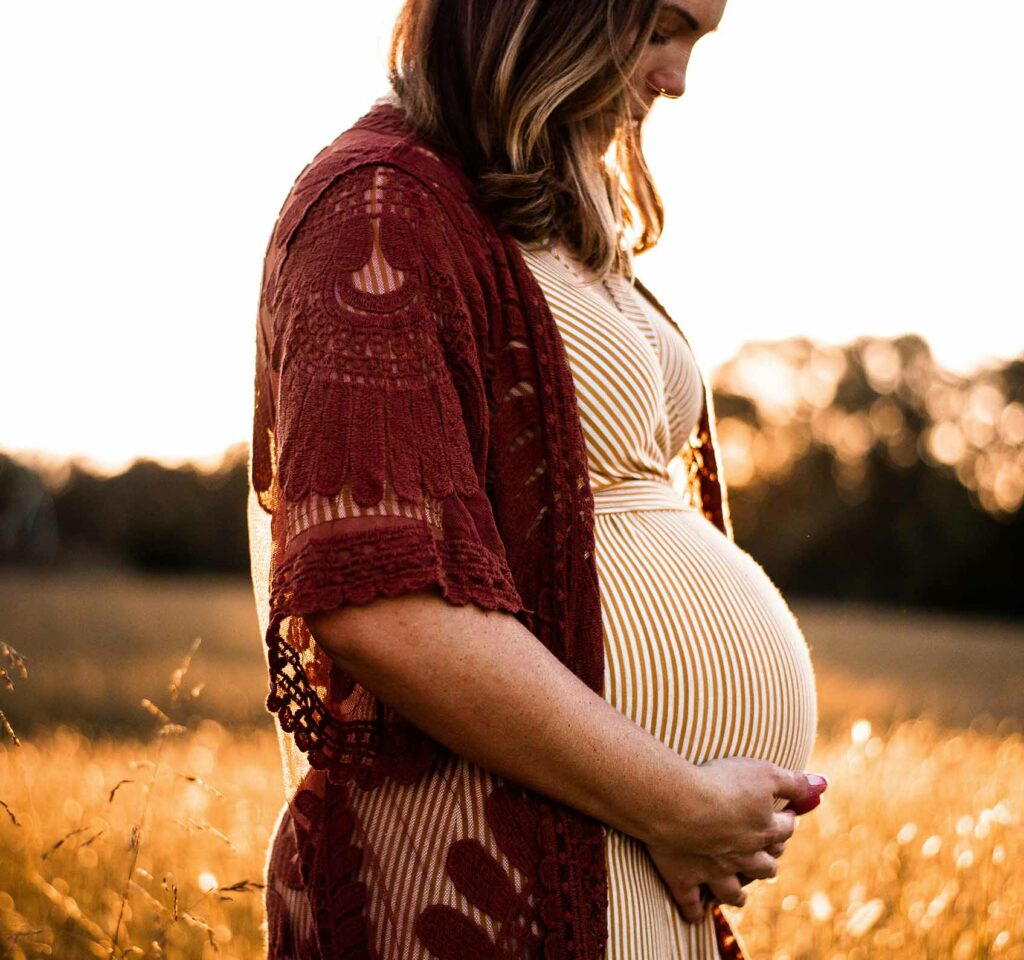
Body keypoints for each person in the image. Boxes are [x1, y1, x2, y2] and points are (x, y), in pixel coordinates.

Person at [247, 1, 825, 957]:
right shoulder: (377, 207)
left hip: (626, 857)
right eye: (662, 29)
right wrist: (676, 798)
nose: (676, 79)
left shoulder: (552, 205)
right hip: (487, 869)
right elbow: (380, 602)